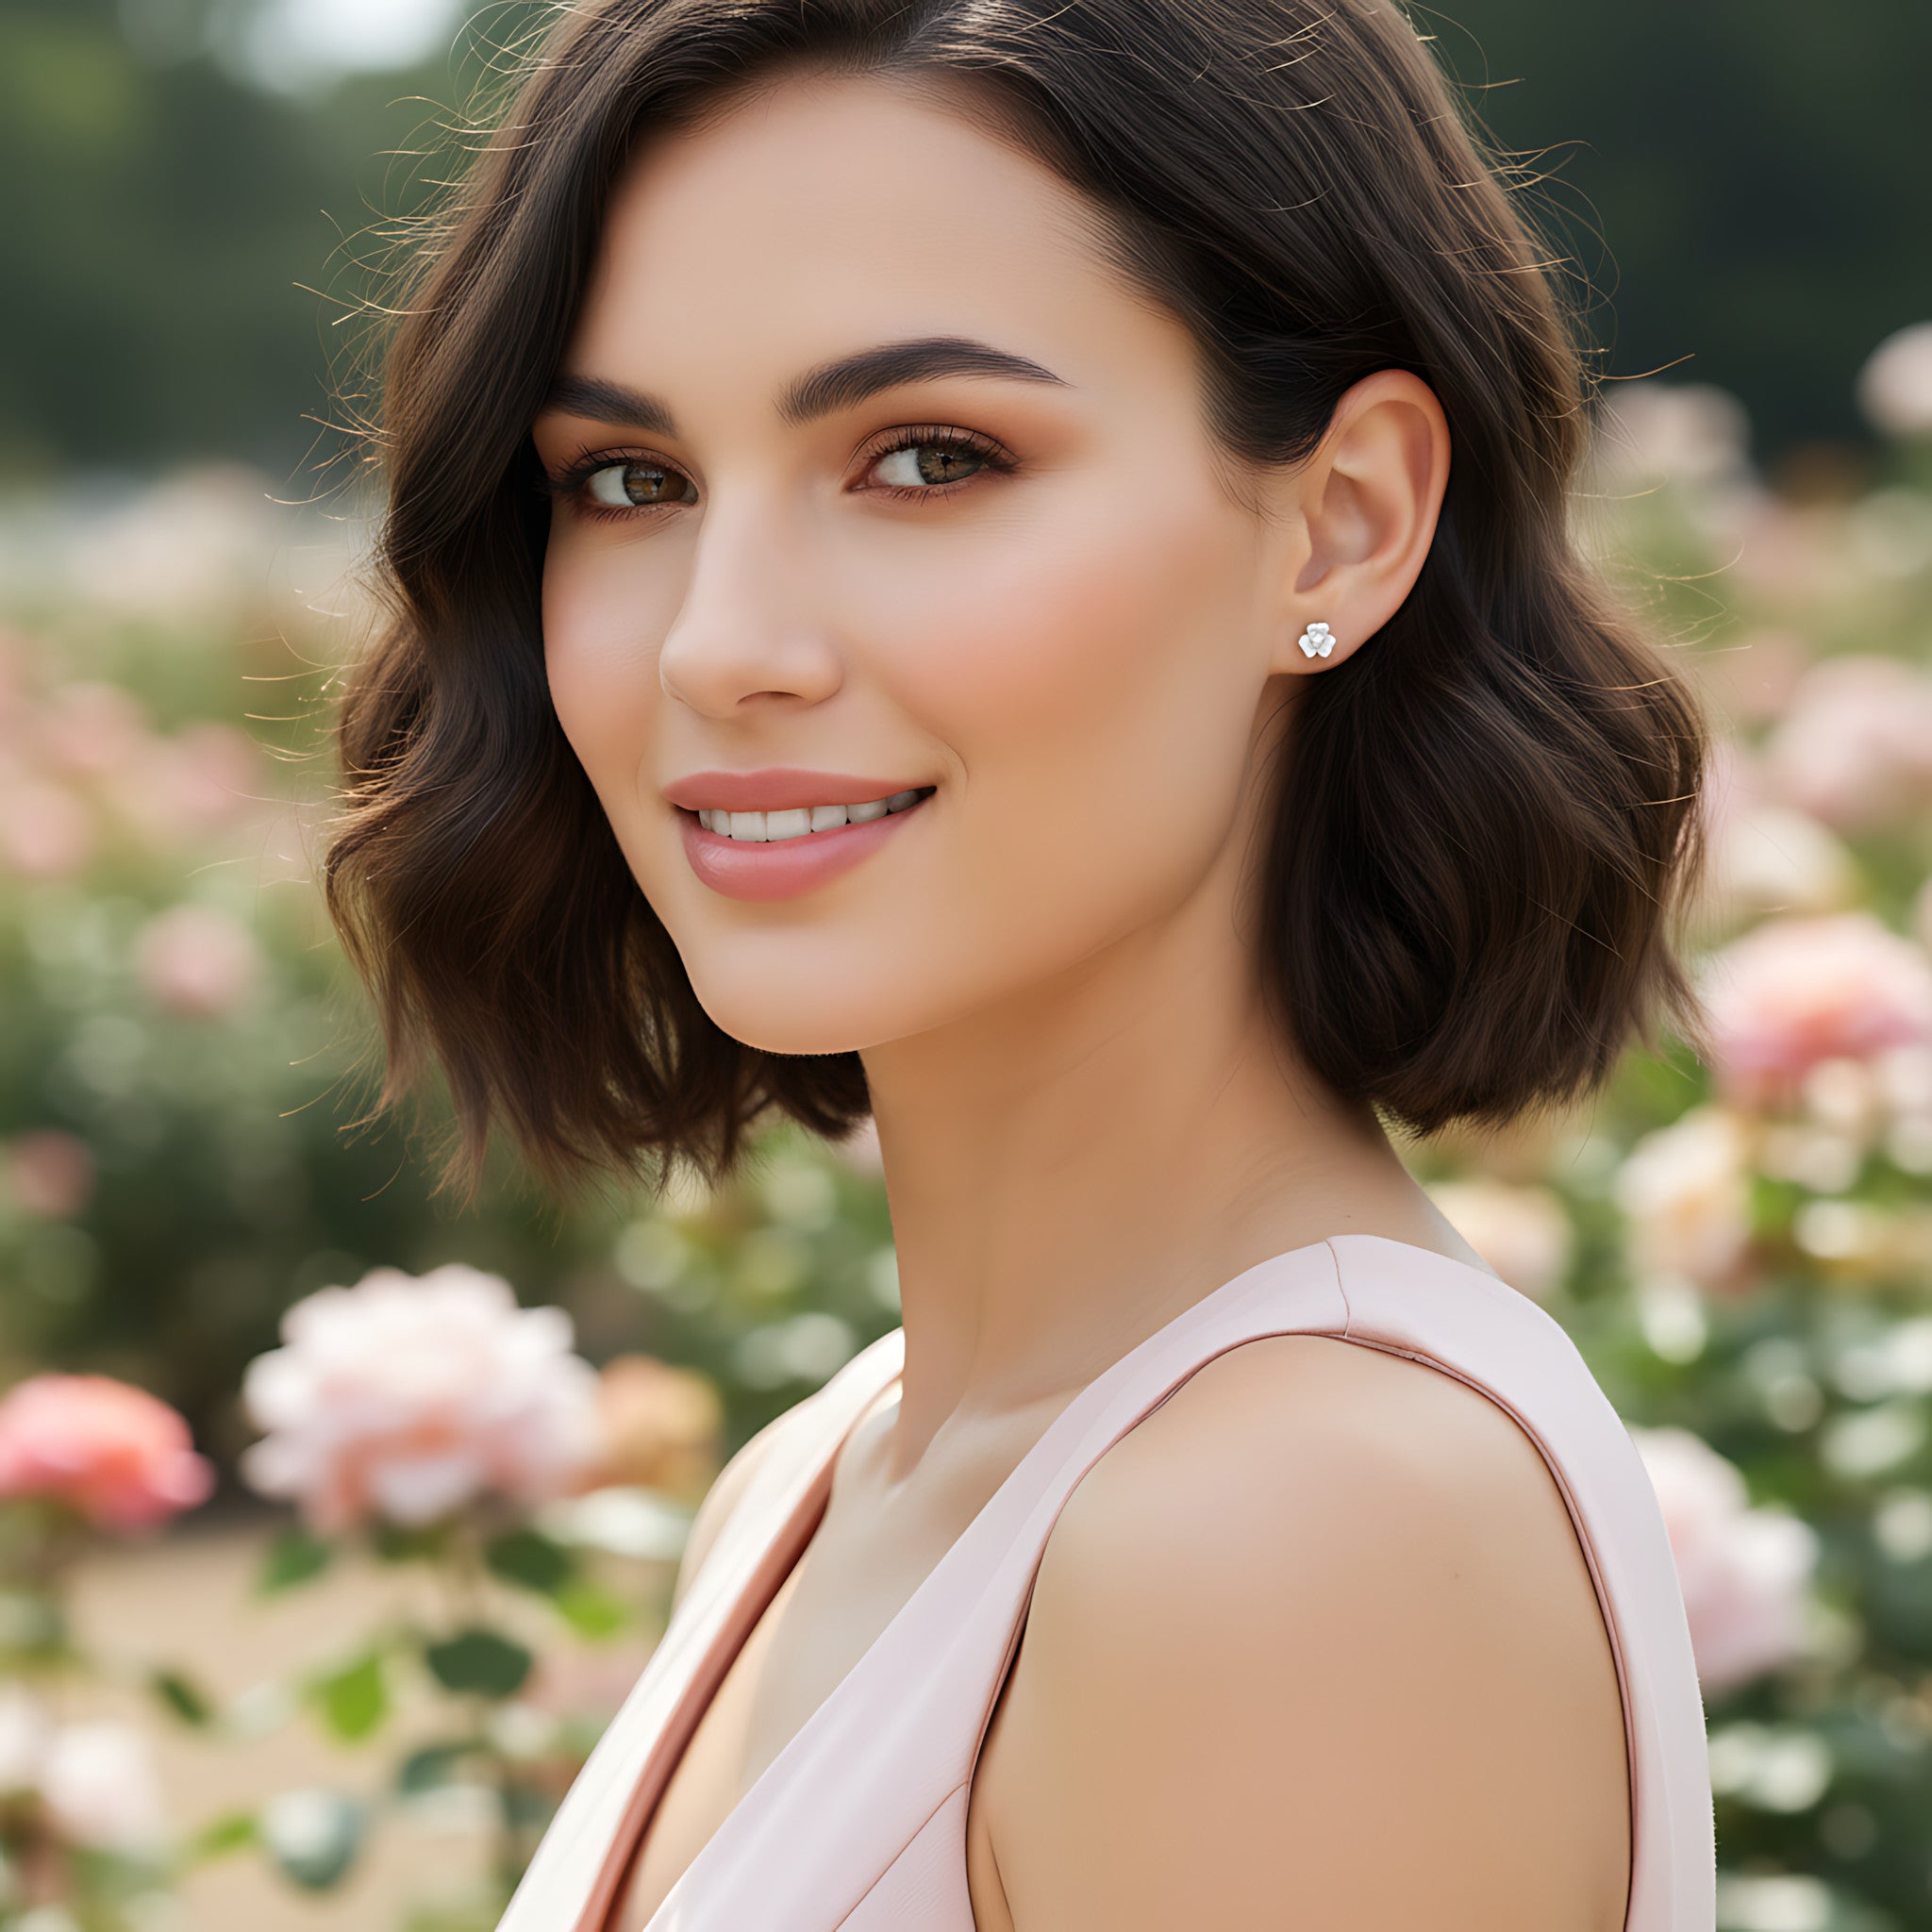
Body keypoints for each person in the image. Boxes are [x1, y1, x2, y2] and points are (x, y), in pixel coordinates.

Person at [324, 1, 1716, 1925]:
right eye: (628, 479)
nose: (718, 646)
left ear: (1341, 523)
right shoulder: (817, 1479)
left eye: (929, 457)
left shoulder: (1303, 1535)